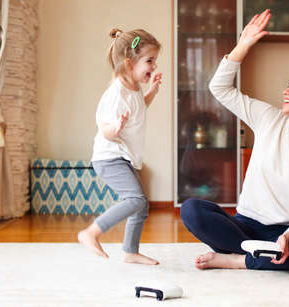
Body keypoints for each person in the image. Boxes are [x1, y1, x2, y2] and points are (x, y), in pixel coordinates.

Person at [180, 9, 289, 270]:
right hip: (243, 227)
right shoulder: (268, 118)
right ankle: (261, 258)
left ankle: (239, 261)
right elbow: (219, 89)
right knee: (192, 210)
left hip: (283, 235)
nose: (286, 90)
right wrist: (242, 46)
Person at [78, 28, 162, 265]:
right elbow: (105, 129)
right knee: (135, 200)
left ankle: (130, 251)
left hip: (122, 157)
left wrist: (152, 91)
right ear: (129, 62)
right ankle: (91, 232)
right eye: (149, 61)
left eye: (154, 60)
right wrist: (115, 127)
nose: (154, 66)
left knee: (141, 206)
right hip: (109, 157)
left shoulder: (133, 88)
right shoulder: (116, 93)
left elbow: (139, 109)